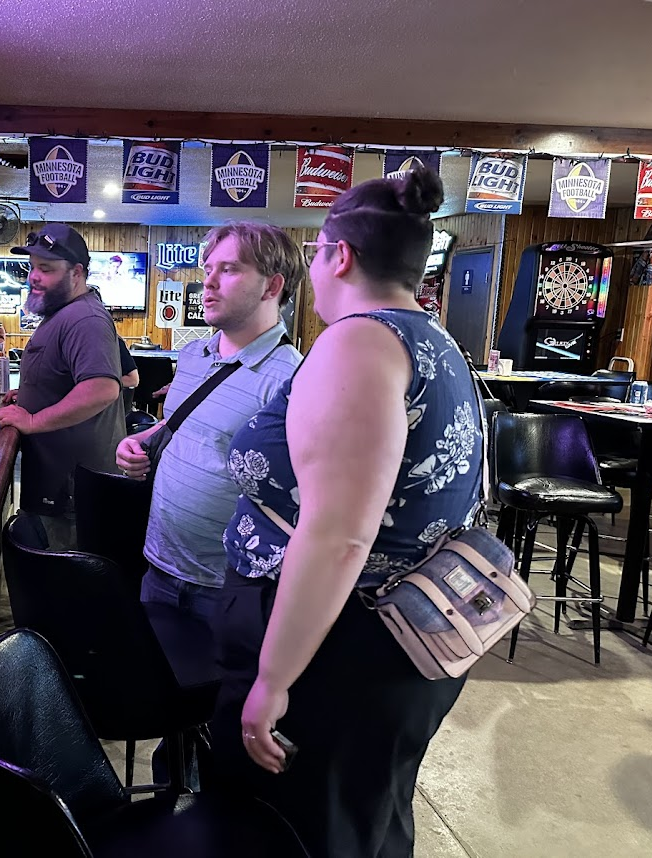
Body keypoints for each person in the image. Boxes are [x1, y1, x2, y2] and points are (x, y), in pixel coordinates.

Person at [208, 168, 482, 857]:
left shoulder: (358, 342)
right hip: (388, 638)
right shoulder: (436, 340)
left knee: (297, 832)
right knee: (362, 824)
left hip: (337, 645)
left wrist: (273, 679)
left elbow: (338, 537)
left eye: (315, 254)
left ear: (340, 255)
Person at [115, 222, 305, 624]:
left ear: (272, 286)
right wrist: (141, 442)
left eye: (229, 270)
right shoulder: (193, 356)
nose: (209, 283)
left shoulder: (294, 379)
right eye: (208, 270)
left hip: (230, 586)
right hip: (159, 563)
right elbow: (183, 426)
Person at [0, 224, 125, 549]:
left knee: (64, 576)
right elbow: (66, 377)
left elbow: (102, 388)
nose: (34, 277)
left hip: (73, 494)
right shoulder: (63, 313)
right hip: (58, 486)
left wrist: (34, 419)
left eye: (46, 269)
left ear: (76, 272)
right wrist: (33, 393)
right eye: (32, 267)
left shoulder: (84, 319)